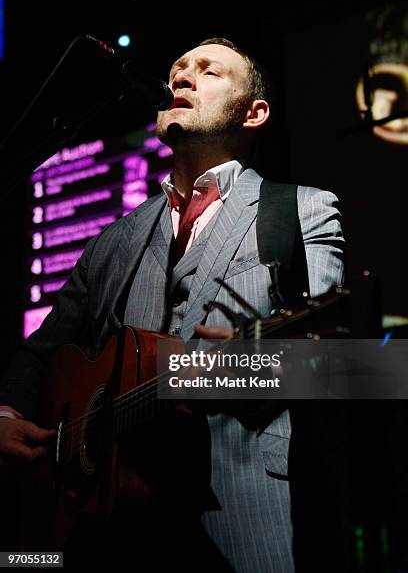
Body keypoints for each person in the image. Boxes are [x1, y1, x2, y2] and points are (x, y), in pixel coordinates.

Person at [0, 37, 345, 572]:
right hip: (100, 530)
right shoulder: (111, 241)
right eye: (177, 70)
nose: (181, 78)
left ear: (254, 113)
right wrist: (3, 416)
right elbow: (38, 354)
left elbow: (345, 365)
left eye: (208, 72)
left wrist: (254, 366)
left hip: (243, 521)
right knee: (20, 563)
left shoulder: (301, 211)